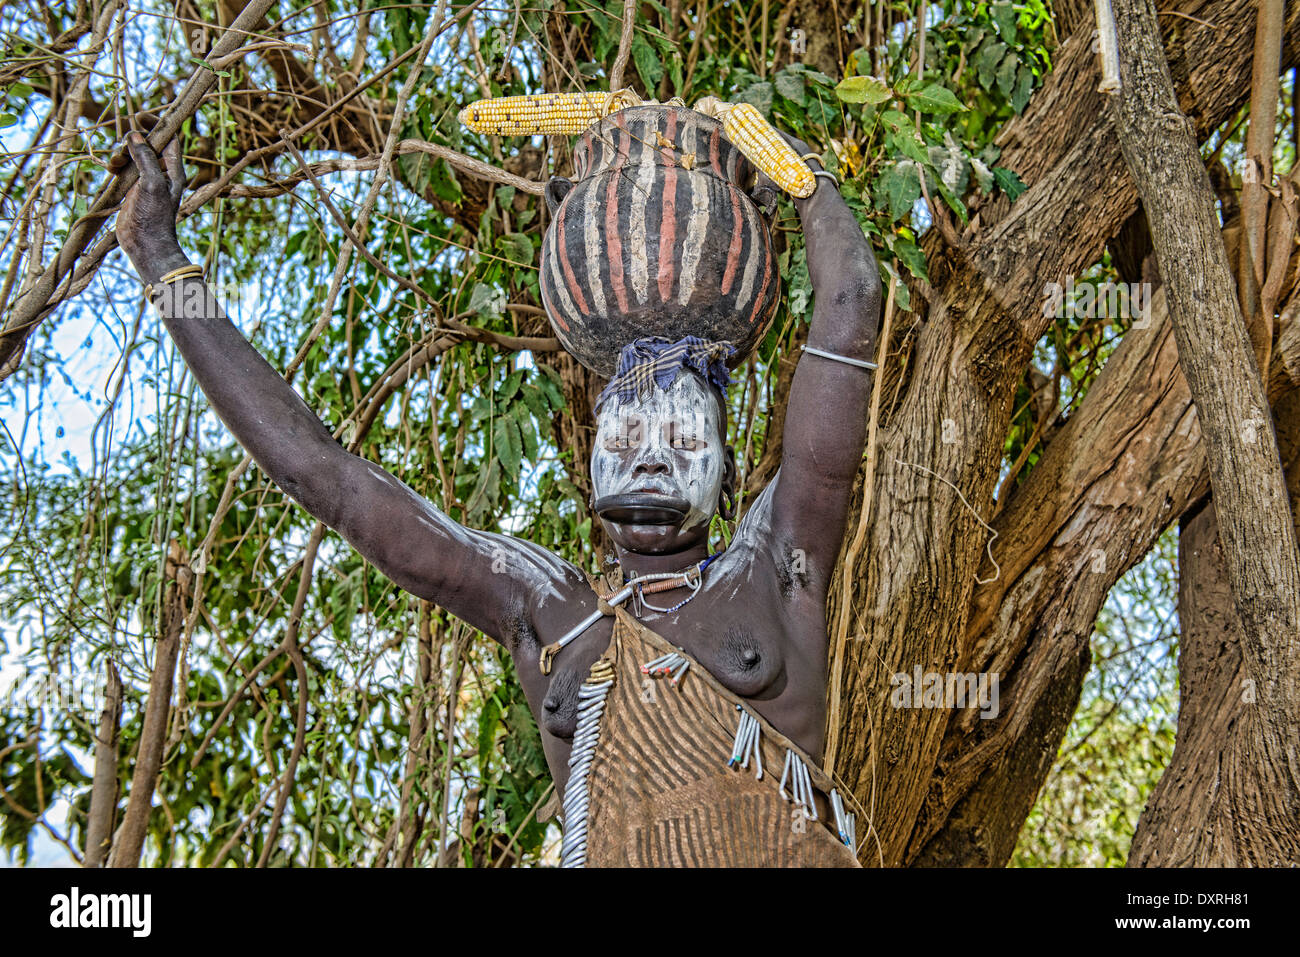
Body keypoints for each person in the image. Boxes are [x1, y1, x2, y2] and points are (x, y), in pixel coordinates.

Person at [115, 118, 881, 866]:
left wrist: (790, 168)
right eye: (621, 437)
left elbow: (851, 307)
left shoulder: (780, 560)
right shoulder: (546, 610)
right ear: (587, 461)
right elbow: (326, 477)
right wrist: (159, 259)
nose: (650, 457)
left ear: (729, 467)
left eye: (683, 438)